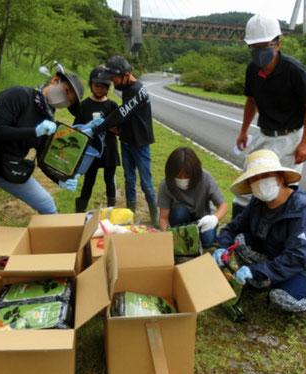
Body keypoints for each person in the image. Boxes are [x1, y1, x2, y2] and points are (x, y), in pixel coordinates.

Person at [0, 70, 84, 269]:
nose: (65, 100)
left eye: (70, 101)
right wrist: (34, 131)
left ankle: (50, 251)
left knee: (47, 203)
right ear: (55, 80)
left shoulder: (48, 116)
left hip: (7, 169)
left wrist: (60, 179)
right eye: (65, 91)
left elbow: (43, 156)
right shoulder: (18, 95)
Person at [213, 149, 306, 316]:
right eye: (254, 179)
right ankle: (259, 282)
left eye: (265, 176)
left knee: (279, 296)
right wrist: (223, 247)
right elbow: (232, 228)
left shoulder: (303, 210)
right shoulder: (258, 203)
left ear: (281, 177)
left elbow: (297, 256)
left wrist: (256, 270)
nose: (259, 182)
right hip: (277, 253)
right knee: (241, 239)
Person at [233, 14, 306, 218]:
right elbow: (251, 100)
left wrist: (305, 142)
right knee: (249, 184)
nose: (259, 51)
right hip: (264, 135)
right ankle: (238, 233)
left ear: (277, 44)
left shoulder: (294, 71)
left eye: (264, 45)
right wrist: (244, 131)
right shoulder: (252, 69)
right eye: (254, 47)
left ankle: (278, 236)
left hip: (290, 138)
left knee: (281, 191)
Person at [87, 56, 159, 226]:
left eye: (114, 78)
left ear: (126, 75)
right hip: (126, 141)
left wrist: (99, 127)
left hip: (140, 143)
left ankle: (155, 217)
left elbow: (122, 113)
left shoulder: (137, 90)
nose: (112, 82)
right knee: (129, 180)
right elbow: (126, 116)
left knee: (146, 183)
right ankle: (130, 214)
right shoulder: (127, 88)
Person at [157, 147, 228, 248]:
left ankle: (204, 237)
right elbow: (163, 217)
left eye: (186, 176)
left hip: (203, 218)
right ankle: (185, 237)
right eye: (178, 176)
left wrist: (214, 219)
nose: (182, 179)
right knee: (179, 212)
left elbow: (223, 206)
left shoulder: (205, 178)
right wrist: (167, 235)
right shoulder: (166, 184)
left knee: (207, 242)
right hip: (180, 219)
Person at [73, 67, 120, 212]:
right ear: (91, 85)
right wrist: (88, 128)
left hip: (109, 149)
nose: (100, 89)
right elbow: (76, 128)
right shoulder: (84, 105)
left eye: (103, 86)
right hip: (91, 151)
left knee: (110, 180)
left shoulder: (112, 105)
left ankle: (112, 211)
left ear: (108, 87)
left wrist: (105, 125)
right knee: (89, 180)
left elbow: (119, 130)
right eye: (97, 85)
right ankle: (80, 212)